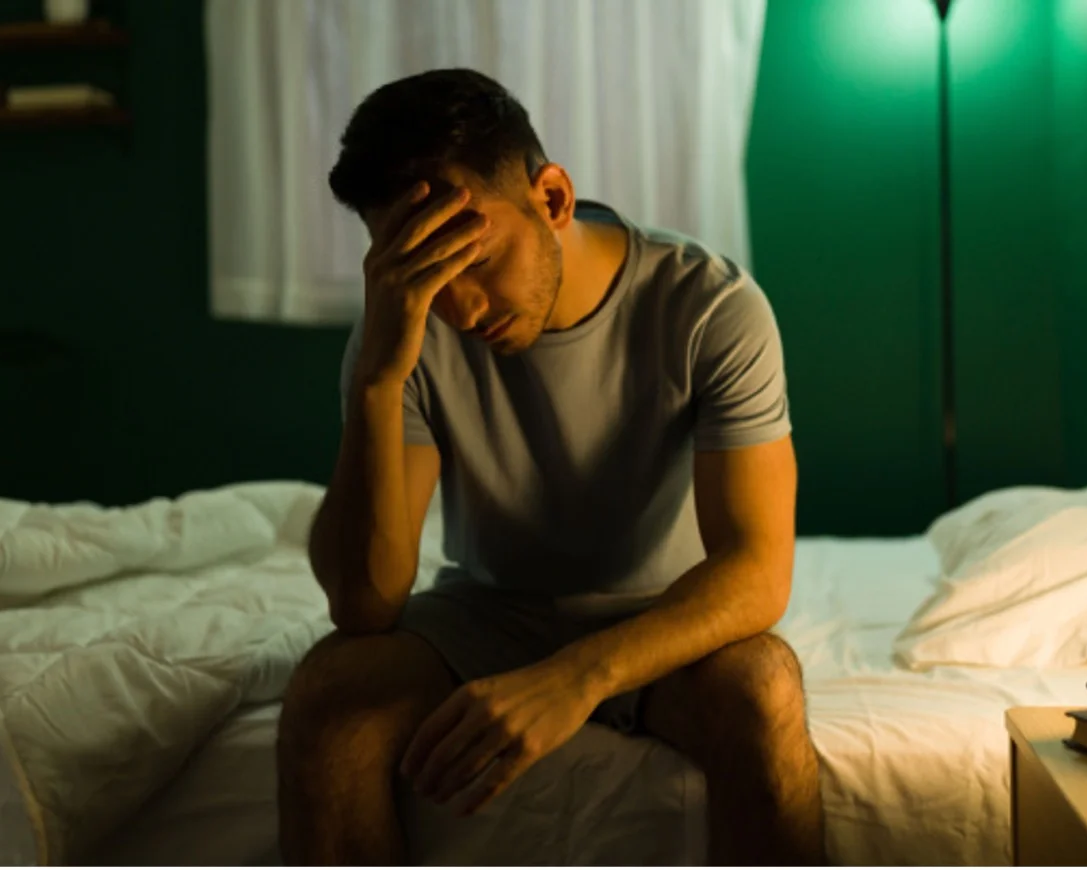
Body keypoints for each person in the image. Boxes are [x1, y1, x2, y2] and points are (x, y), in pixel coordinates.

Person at [276, 68, 823, 866]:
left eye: (470, 257)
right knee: (330, 698)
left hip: (660, 619)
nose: (457, 307)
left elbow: (756, 573)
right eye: (420, 266)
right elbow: (365, 603)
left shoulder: (709, 306)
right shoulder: (405, 333)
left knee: (764, 689)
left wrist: (578, 677)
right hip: (486, 616)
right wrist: (378, 381)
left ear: (554, 198)